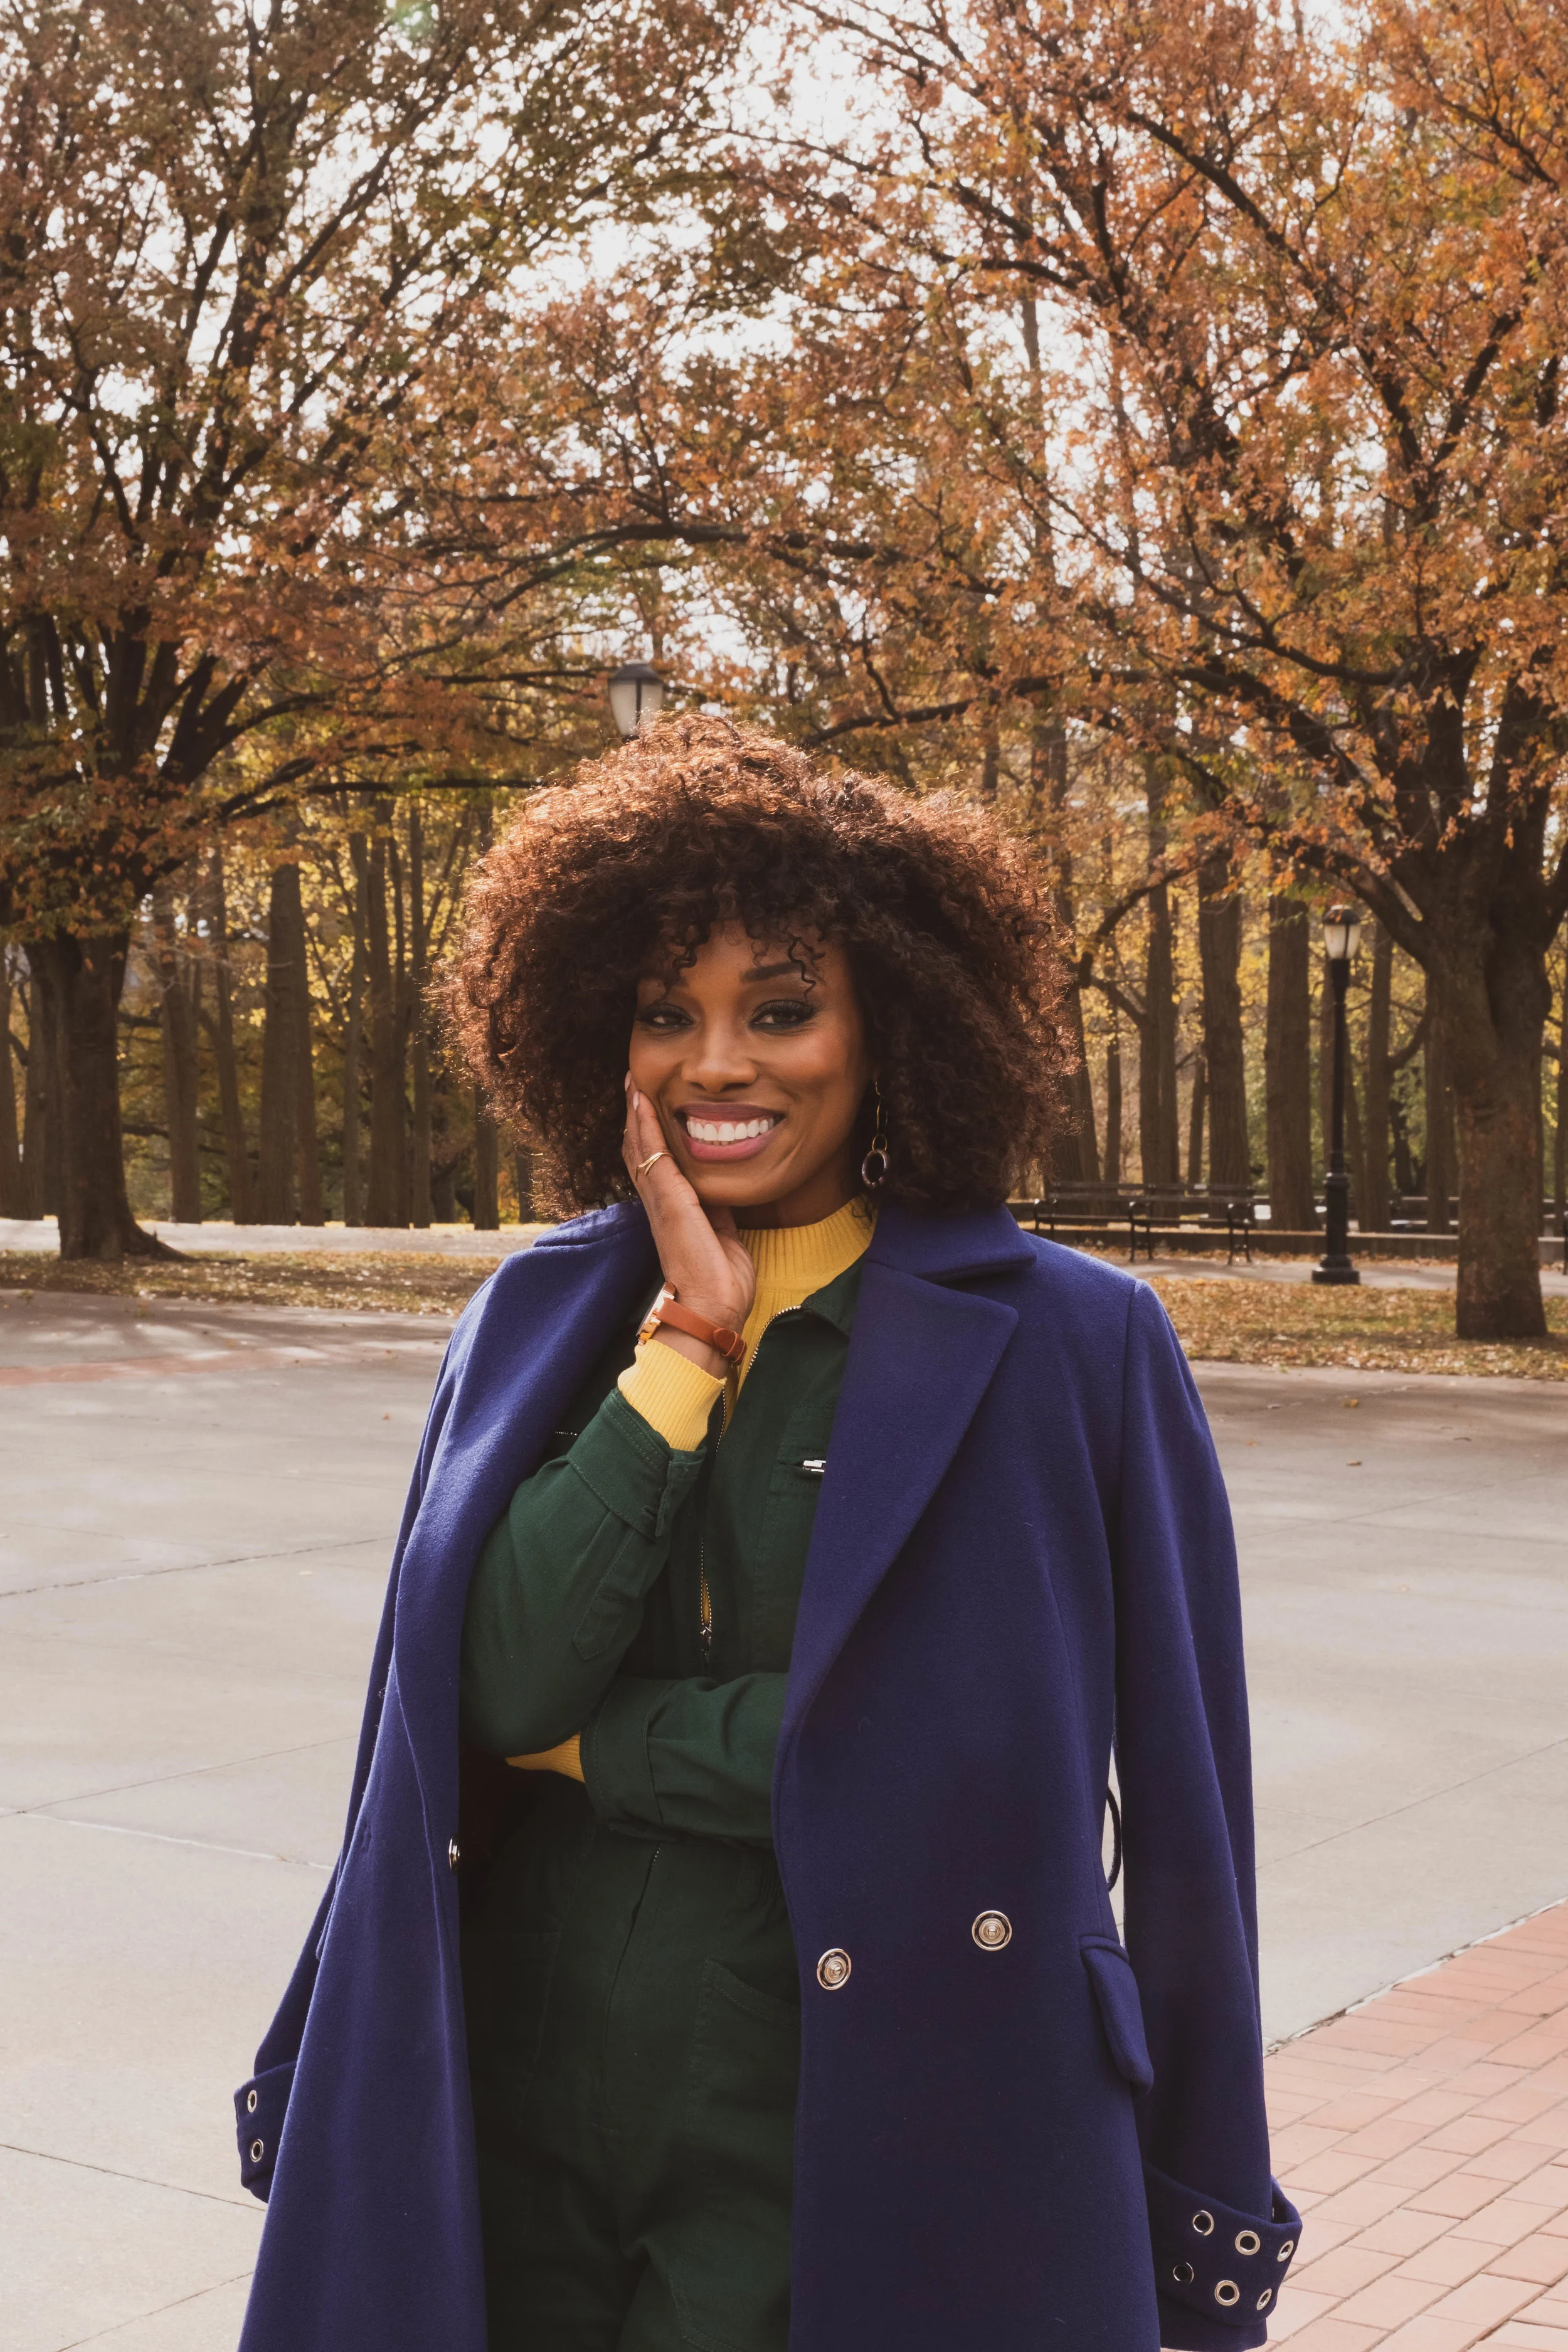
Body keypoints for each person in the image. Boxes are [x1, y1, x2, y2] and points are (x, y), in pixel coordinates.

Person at [233, 716, 1299, 2352]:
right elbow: (490, 1697)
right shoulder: (530, 1317)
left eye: (780, 1008)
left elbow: (1044, 1782)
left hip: (870, 2116)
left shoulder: (1073, 1343)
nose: (717, 1062)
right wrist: (688, 1346)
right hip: (511, 2113)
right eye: (670, 1013)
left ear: (888, 1026)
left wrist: (613, 1750)